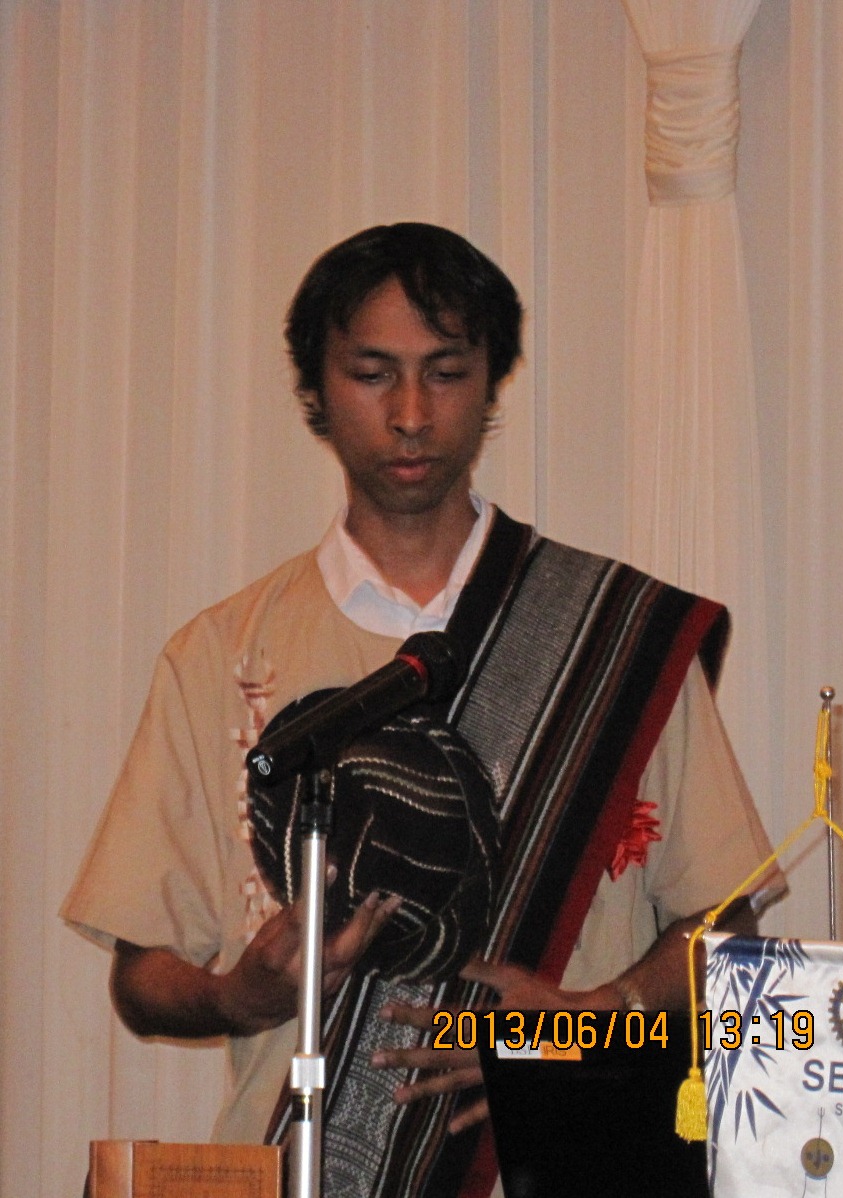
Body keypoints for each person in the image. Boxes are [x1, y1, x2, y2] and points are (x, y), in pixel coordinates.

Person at [63, 223, 782, 1198]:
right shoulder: (218, 656)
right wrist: (241, 995)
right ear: (317, 390)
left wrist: (593, 1013)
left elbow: (728, 923)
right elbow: (142, 975)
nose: (410, 414)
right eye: (372, 374)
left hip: (567, 1165)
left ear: (491, 384)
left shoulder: (611, 634)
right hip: (304, 1174)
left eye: (445, 372)